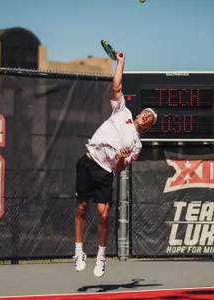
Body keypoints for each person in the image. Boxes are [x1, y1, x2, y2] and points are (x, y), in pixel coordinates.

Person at [73, 51, 157, 277]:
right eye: (146, 113)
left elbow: (120, 168)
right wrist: (120, 62)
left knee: (103, 214)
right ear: (139, 114)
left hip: (105, 172)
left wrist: (121, 155)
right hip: (88, 161)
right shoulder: (123, 111)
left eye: (150, 118)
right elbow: (117, 86)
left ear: (147, 127)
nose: (146, 116)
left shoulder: (137, 145)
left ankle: (101, 257)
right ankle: (78, 251)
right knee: (81, 208)